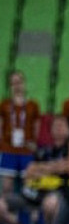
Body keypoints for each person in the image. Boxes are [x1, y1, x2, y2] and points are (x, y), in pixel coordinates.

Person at [2, 69, 42, 197]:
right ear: (10, 86)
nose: (17, 86)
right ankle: (5, 209)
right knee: (6, 186)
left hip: (27, 150)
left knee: (28, 185)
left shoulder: (33, 105)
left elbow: (37, 127)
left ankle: (25, 210)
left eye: (19, 82)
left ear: (24, 83)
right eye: (13, 83)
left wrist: (35, 144)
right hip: (8, 149)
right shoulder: (4, 104)